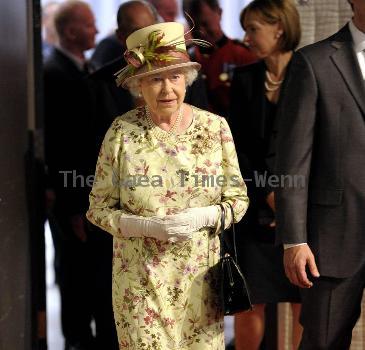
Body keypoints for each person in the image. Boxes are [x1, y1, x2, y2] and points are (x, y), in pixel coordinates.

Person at [86, 21, 249, 349]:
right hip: (140, 286)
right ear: (138, 85)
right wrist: (145, 226)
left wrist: (201, 218)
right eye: (155, 79)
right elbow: (97, 209)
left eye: (175, 77)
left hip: (199, 287)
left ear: (187, 79)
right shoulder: (122, 133)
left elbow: (238, 200)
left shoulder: (215, 128)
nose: (167, 90)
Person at [274, 0, 365, 348]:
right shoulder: (312, 62)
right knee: (323, 342)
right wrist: (294, 240)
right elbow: (293, 161)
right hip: (333, 238)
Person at [43, 1, 119, 349]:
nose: (96, 31)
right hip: (75, 198)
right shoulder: (54, 72)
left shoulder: (84, 67)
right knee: (76, 278)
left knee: (96, 278)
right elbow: (62, 147)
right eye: (89, 25)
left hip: (92, 195)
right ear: (71, 31)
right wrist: (74, 208)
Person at [229, 1, 302, 349]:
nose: (246, 38)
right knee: (249, 301)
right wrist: (267, 194)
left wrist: (287, 199)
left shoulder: (312, 73)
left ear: (279, 28)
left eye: (253, 28)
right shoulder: (243, 79)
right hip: (252, 209)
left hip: (301, 211)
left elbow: (321, 148)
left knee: (303, 302)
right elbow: (236, 149)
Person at [89, 0, 209, 148]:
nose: (146, 38)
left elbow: (201, 128)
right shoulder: (97, 84)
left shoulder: (186, 71)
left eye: (151, 30)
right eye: (136, 32)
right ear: (121, 36)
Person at [182, 0, 257, 118]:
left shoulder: (242, 55)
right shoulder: (186, 60)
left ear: (220, 13)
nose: (201, 31)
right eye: (194, 26)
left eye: (206, 24)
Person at [91, 0, 159, 69]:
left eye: (152, 29)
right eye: (137, 32)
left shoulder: (168, 65)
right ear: (120, 36)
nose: (148, 38)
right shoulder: (102, 79)